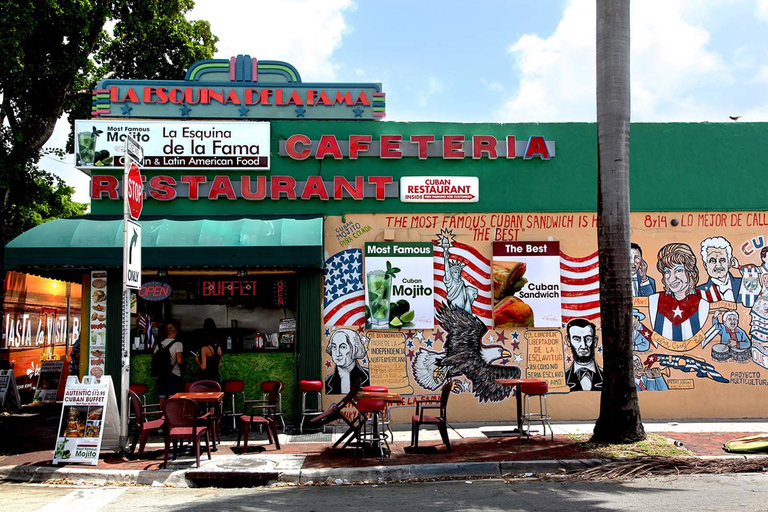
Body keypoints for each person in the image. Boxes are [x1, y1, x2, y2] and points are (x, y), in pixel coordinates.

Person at [648, 243, 710, 341]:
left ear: (689, 273)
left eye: (678, 270)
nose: (671, 278)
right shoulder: (654, 301)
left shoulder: (703, 305)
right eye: (667, 272)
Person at [325, 328, 370, 394]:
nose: (337, 354)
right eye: (334, 347)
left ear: (355, 349)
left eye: (343, 347)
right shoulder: (327, 381)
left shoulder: (368, 376)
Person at [697, 237, 742, 303]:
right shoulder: (699, 293)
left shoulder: (742, 285)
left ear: (729, 263)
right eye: (712, 261)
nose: (718, 265)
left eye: (722, 260)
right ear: (705, 265)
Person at [564, 318, 603, 391]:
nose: (583, 346)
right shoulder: (562, 380)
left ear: (595, 341)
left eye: (588, 339)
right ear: (568, 341)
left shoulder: (607, 377)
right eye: (577, 339)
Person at [442, 237, 477, 313]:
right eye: (455, 272)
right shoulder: (450, 281)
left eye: (458, 272)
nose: (457, 273)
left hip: (464, 308)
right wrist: (446, 255)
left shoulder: (461, 283)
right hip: (455, 308)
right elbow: (447, 270)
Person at [155, 322, 183, 407]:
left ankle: (161, 417)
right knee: (172, 397)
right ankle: (171, 417)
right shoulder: (178, 344)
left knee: (162, 397)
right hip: (174, 374)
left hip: (161, 375)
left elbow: (155, 359)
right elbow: (179, 360)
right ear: (175, 332)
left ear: (166, 332)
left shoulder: (159, 345)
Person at [195, 318, 222, 383]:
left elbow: (203, 367)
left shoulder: (204, 348)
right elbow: (218, 366)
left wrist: (197, 361)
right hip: (216, 377)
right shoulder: (219, 348)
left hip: (206, 378)